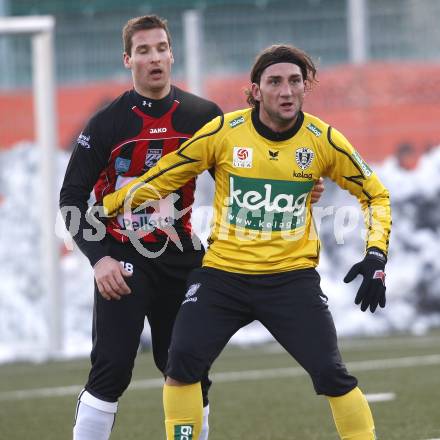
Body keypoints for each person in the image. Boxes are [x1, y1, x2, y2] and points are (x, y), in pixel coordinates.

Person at [102, 44, 391, 439]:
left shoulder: (323, 140)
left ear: (306, 88)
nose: (286, 91)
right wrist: (112, 204)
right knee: (181, 361)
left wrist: (376, 255)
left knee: (331, 372)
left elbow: (376, 194)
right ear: (255, 90)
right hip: (224, 276)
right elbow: (169, 173)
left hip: (291, 279)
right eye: (275, 82)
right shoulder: (224, 132)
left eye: (295, 82)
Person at [59, 14, 326, 440]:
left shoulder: (204, 115)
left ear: (172, 53)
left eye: (161, 48)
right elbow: (71, 200)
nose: (154, 58)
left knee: (187, 366)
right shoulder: (107, 123)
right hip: (123, 258)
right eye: (143, 51)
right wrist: (100, 258)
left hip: (182, 256)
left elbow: (248, 174)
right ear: (128, 59)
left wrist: (298, 188)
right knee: (111, 367)